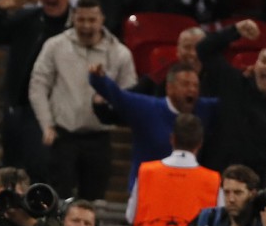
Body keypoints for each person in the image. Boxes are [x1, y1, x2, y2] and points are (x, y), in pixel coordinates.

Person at [29, 0, 137, 200]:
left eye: (92, 20)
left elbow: (129, 92)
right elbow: (38, 85)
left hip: (99, 137)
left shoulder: (120, 53)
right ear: (73, 18)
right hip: (63, 136)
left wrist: (110, 101)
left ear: (102, 19)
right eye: (81, 19)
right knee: (58, 199)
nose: (86, 25)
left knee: (93, 200)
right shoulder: (55, 46)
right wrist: (46, 124)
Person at [196, 18, 266, 192]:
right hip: (210, 180)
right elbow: (203, 49)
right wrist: (235, 31)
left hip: (249, 191)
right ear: (255, 65)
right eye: (264, 61)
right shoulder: (231, 82)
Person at [0, 0, 72, 182]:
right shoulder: (26, 18)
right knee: (11, 163)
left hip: (58, 108)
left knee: (41, 165)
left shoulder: (78, 25)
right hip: (19, 104)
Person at [89, 61, 218, 191]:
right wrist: (98, 78)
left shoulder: (203, 109)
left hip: (185, 191)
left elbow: (226, 100)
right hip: (146, 190)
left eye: (196, 85)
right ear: (169, 88)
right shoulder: (146, 108)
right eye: (185, 84)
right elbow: (118, 96)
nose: (192, 90)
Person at [126, 113, 222, 226]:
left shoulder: (147, 171)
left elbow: (130, 216)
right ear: (200, 143)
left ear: (172, 139)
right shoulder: (213, 179)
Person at [179, 164, 266, 226]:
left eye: (238, 193)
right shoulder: (207, 218)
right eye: (227, 192)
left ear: (252, 194)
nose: (231, 199)